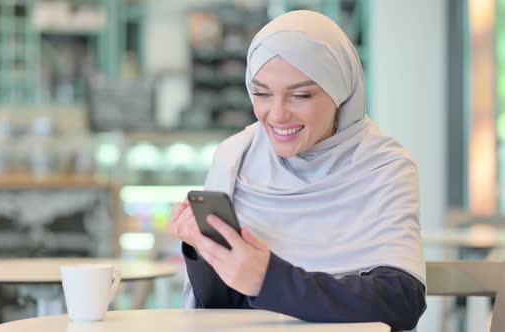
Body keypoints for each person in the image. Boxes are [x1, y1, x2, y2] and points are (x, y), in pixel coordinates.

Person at [167, 10, 426, 331]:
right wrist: (204, 248)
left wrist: (269, 279)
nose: (277, 115)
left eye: (301, 95)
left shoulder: (384, 166)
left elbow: (401, 300)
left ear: (341, 91)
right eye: (261, 93)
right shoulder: (235, 158)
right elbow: (223, 307)